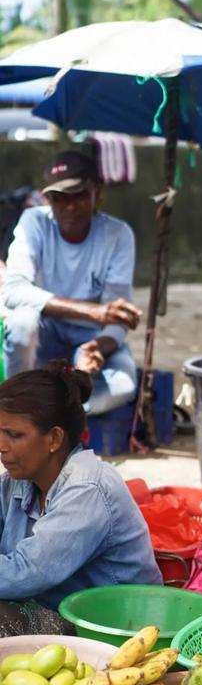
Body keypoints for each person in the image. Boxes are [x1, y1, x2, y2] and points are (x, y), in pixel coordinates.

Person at [0, 361, 162, 637]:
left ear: (54, 439)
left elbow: (25, 573)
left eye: (14, 435)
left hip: (117, 629)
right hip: (53, 610)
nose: (2, 446)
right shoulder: (17, 482)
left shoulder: (88, 488)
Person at [1, 150, 143, 415]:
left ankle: (62, 416)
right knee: (21, 324)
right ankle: (16, 408)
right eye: (59, 198)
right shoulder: (34, 222)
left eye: (79, 196)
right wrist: (93, 311)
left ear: (98, 193)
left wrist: (96, 348)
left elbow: (117, 321)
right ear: (47, 199)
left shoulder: (117, 234)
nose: (69, 207)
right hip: (46, 332)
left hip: (90, 337)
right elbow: (13, 291)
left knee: (123, 386)